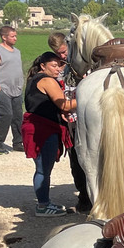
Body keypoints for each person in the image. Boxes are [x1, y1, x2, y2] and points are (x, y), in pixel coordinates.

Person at [22, 51, 77, 216]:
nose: (58, 69)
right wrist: (86, 97)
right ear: (43, 66)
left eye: (60, 65)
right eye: (54, 65)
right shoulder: (47, 80)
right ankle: (43, 205)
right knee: (43, 170)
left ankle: (44, 202)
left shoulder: (35, 79)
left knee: (42, 169)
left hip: (39, 127)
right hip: (43, 129)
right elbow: (65, 105)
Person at [47, 32, 91, 212]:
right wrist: (60, 109)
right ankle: (84, 195)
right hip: (71, 117)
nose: (63, 57)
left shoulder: (87, 65)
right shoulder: (58, 68)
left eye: (64, 52)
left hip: (89, 115)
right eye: (59, 54)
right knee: (76, 158)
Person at [0, 25, 24, 155]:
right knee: (6, 115)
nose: (15, 38)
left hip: (16, 89)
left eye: (16, 36)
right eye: (12, 36)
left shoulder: (17, 51)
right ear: (4, 37)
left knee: (18, 116)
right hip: (2, 89)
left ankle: (18, 142)